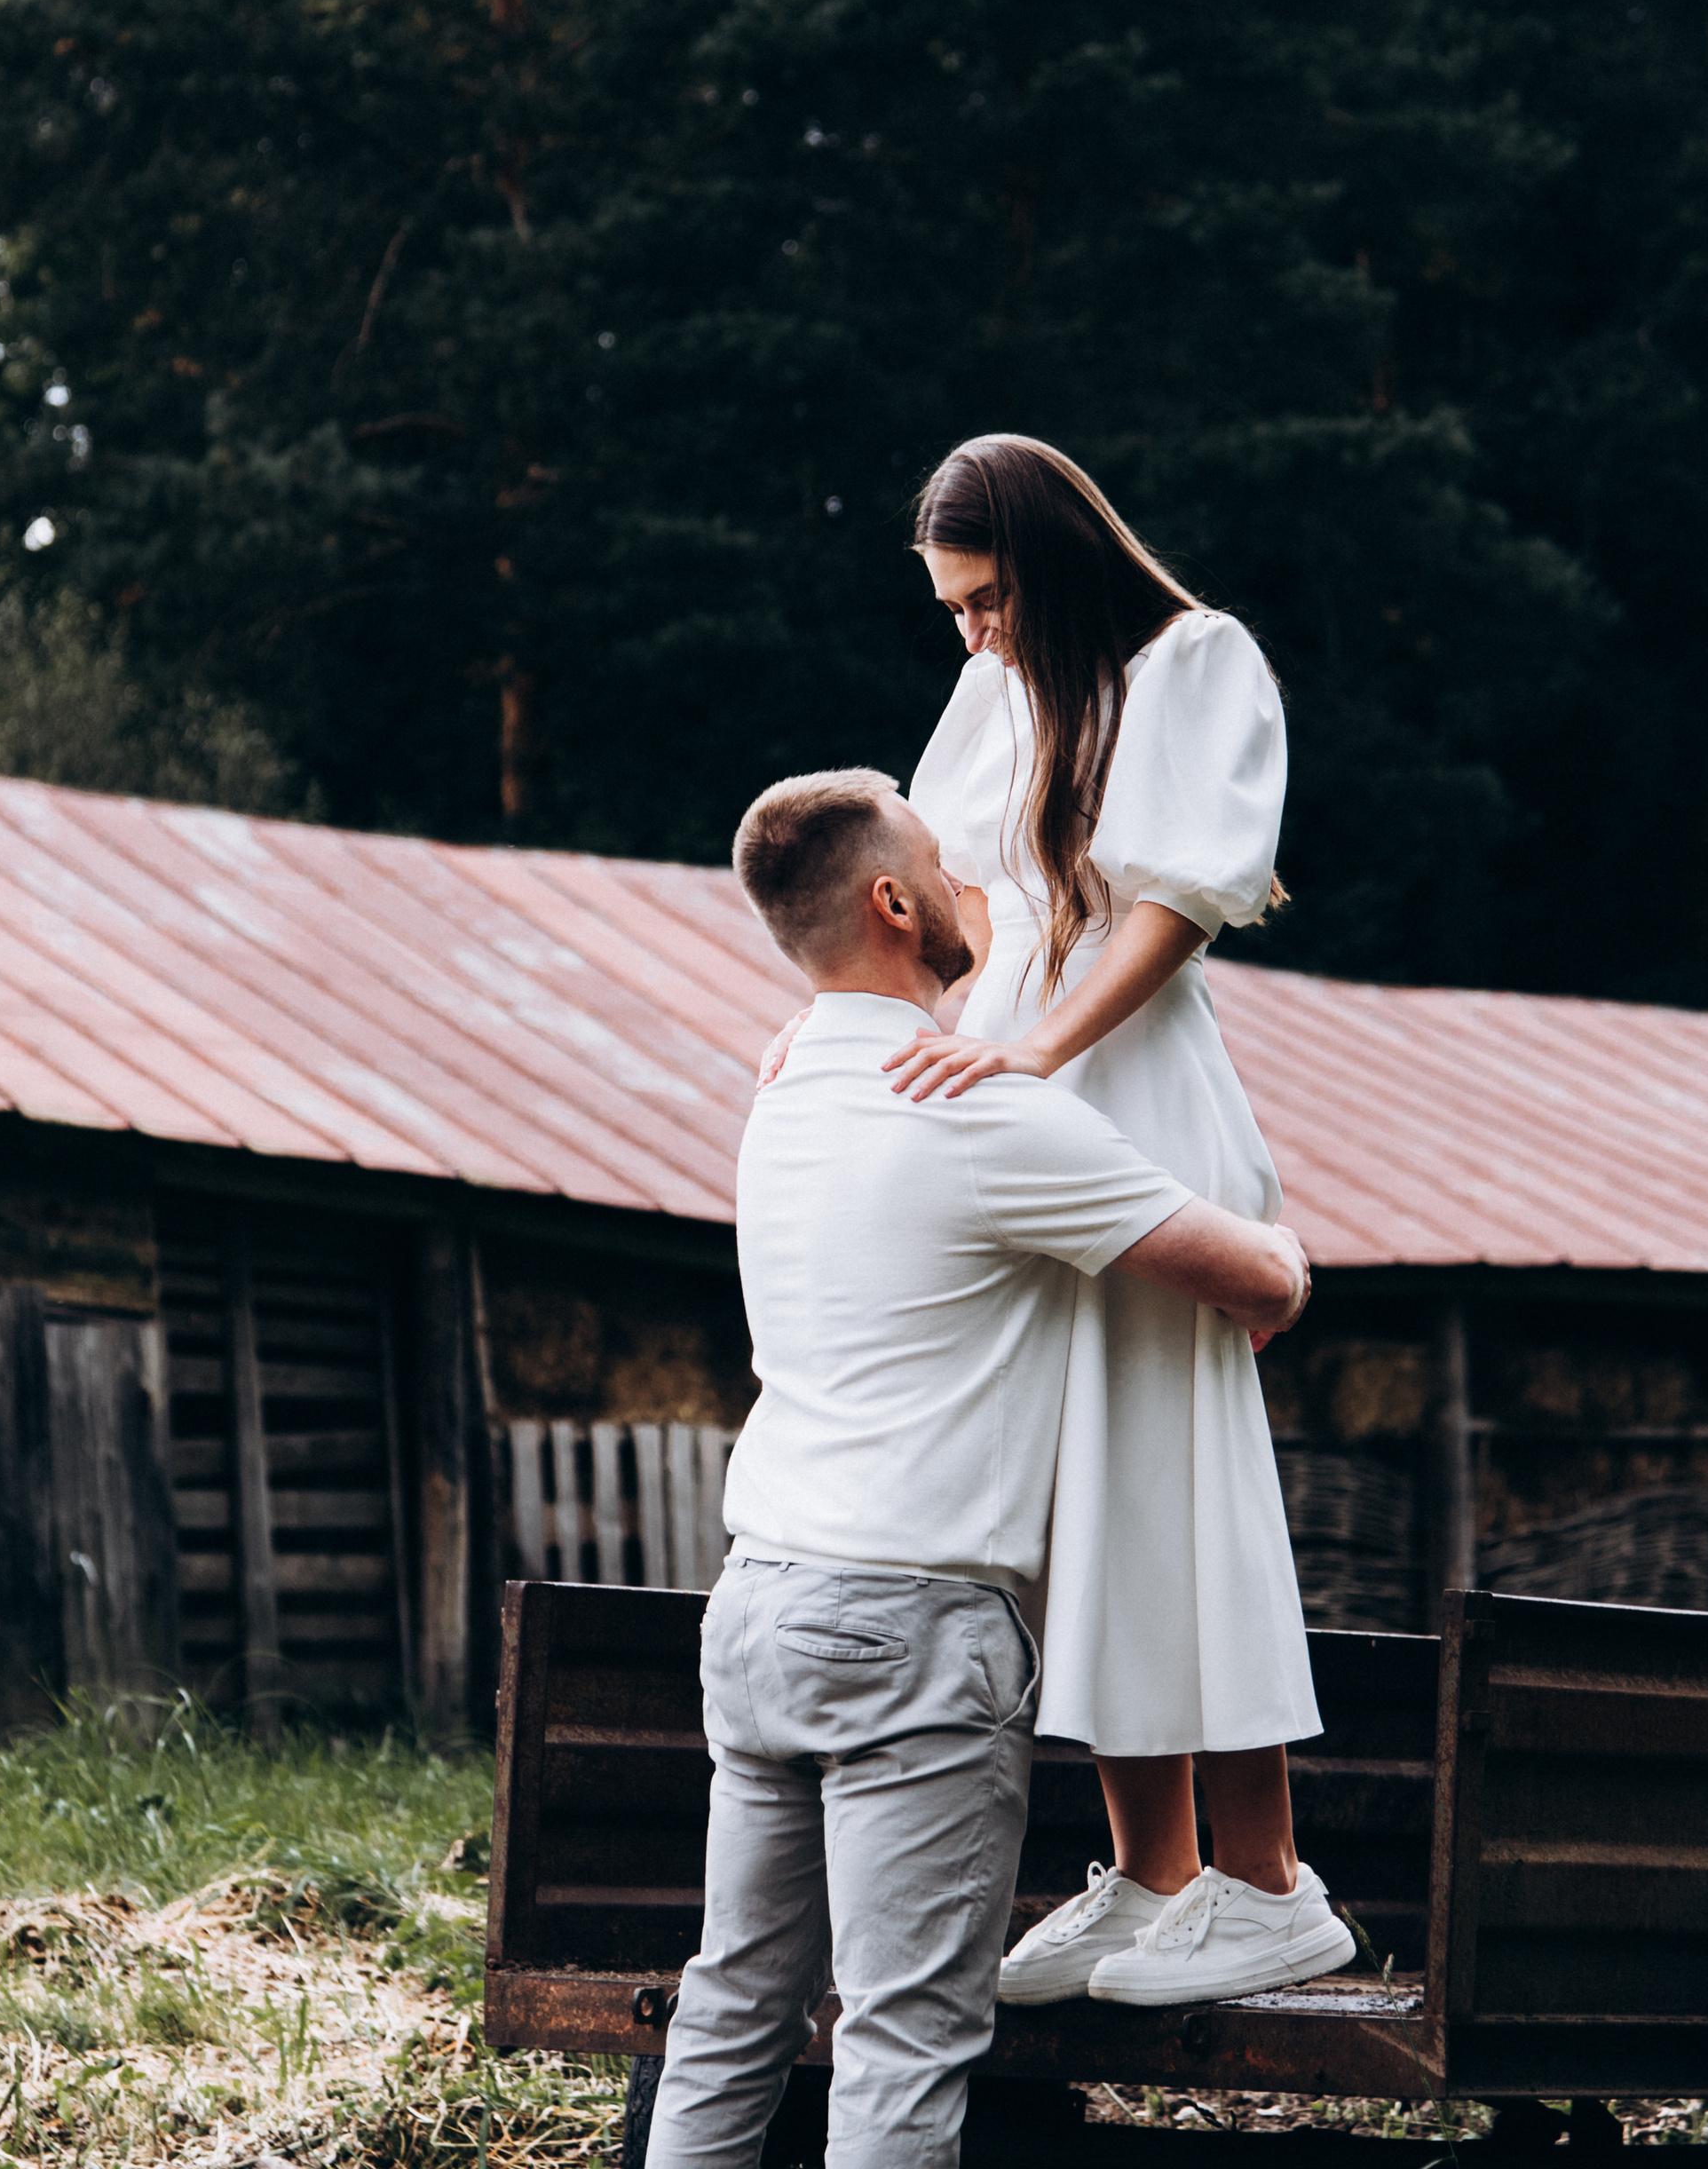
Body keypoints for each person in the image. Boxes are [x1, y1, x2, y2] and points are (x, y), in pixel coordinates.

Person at [644, 769, 1319, 2169]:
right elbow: (1262, 1275)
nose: (981, 896)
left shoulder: (783, 1094)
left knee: (732, 2011)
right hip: (906, 1631)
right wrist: (1280, 1255)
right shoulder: (978, 1116)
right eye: (952, 869)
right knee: (902, 2042)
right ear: (894, 903)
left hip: (758, 1606)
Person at [888, 431, 1339, 2009]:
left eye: (991, 596)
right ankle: (1155, 1884)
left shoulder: (1194, 660)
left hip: (1130, 1098)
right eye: (953, 609)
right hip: (1014, 1102)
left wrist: (1036, 1046)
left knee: (1173, 1476)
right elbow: (950, 898)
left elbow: (1171, 905)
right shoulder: (996, 689)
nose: (975, 631)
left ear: (1057, 558)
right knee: (1074, 1499)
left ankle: (1272, 1882)